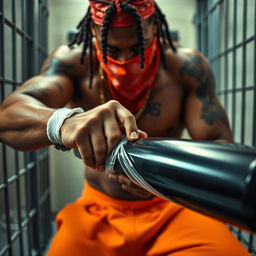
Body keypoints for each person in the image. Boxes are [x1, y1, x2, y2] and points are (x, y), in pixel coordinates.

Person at [0, 0, 250, 255]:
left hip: (174, 207)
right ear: (95, 31)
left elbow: (220, 146)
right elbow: (7, 118)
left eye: (135, 48)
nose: (124, 60)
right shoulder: (74, 60)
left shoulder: (185, 66)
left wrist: (162, 176)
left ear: (153, 26)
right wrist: (63, 122)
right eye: (112, 49)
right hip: (99, 211)